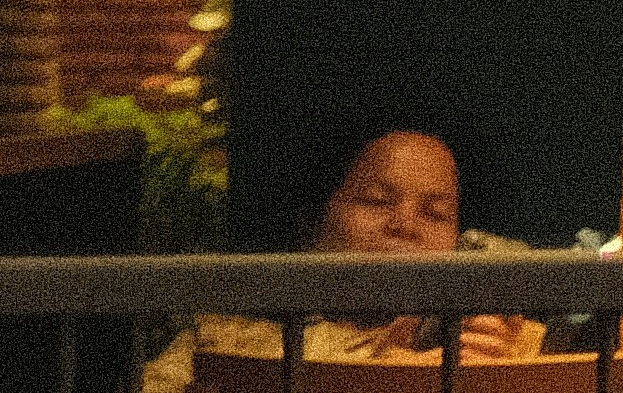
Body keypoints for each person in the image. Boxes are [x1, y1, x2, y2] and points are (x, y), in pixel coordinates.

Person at [211, 126, 543, 359]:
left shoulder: (504, 341)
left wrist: (502, 381)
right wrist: (399, 373)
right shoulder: (227, 339)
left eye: (436, 214)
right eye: (377, 201)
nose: (405, 227)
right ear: (313, 223)